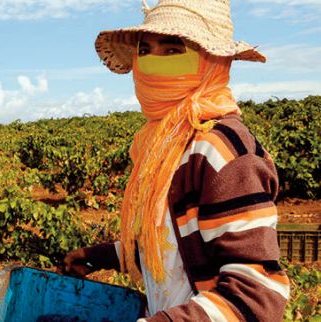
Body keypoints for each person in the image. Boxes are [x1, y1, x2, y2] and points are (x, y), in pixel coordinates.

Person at [62, 1, 289, 321]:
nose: (153, 64)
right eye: (145, 50)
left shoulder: (220, 153)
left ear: (212, 61)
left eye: (172, 51)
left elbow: (256, 293)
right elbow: (175, 244)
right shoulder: (167, 145)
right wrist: (99, 256)